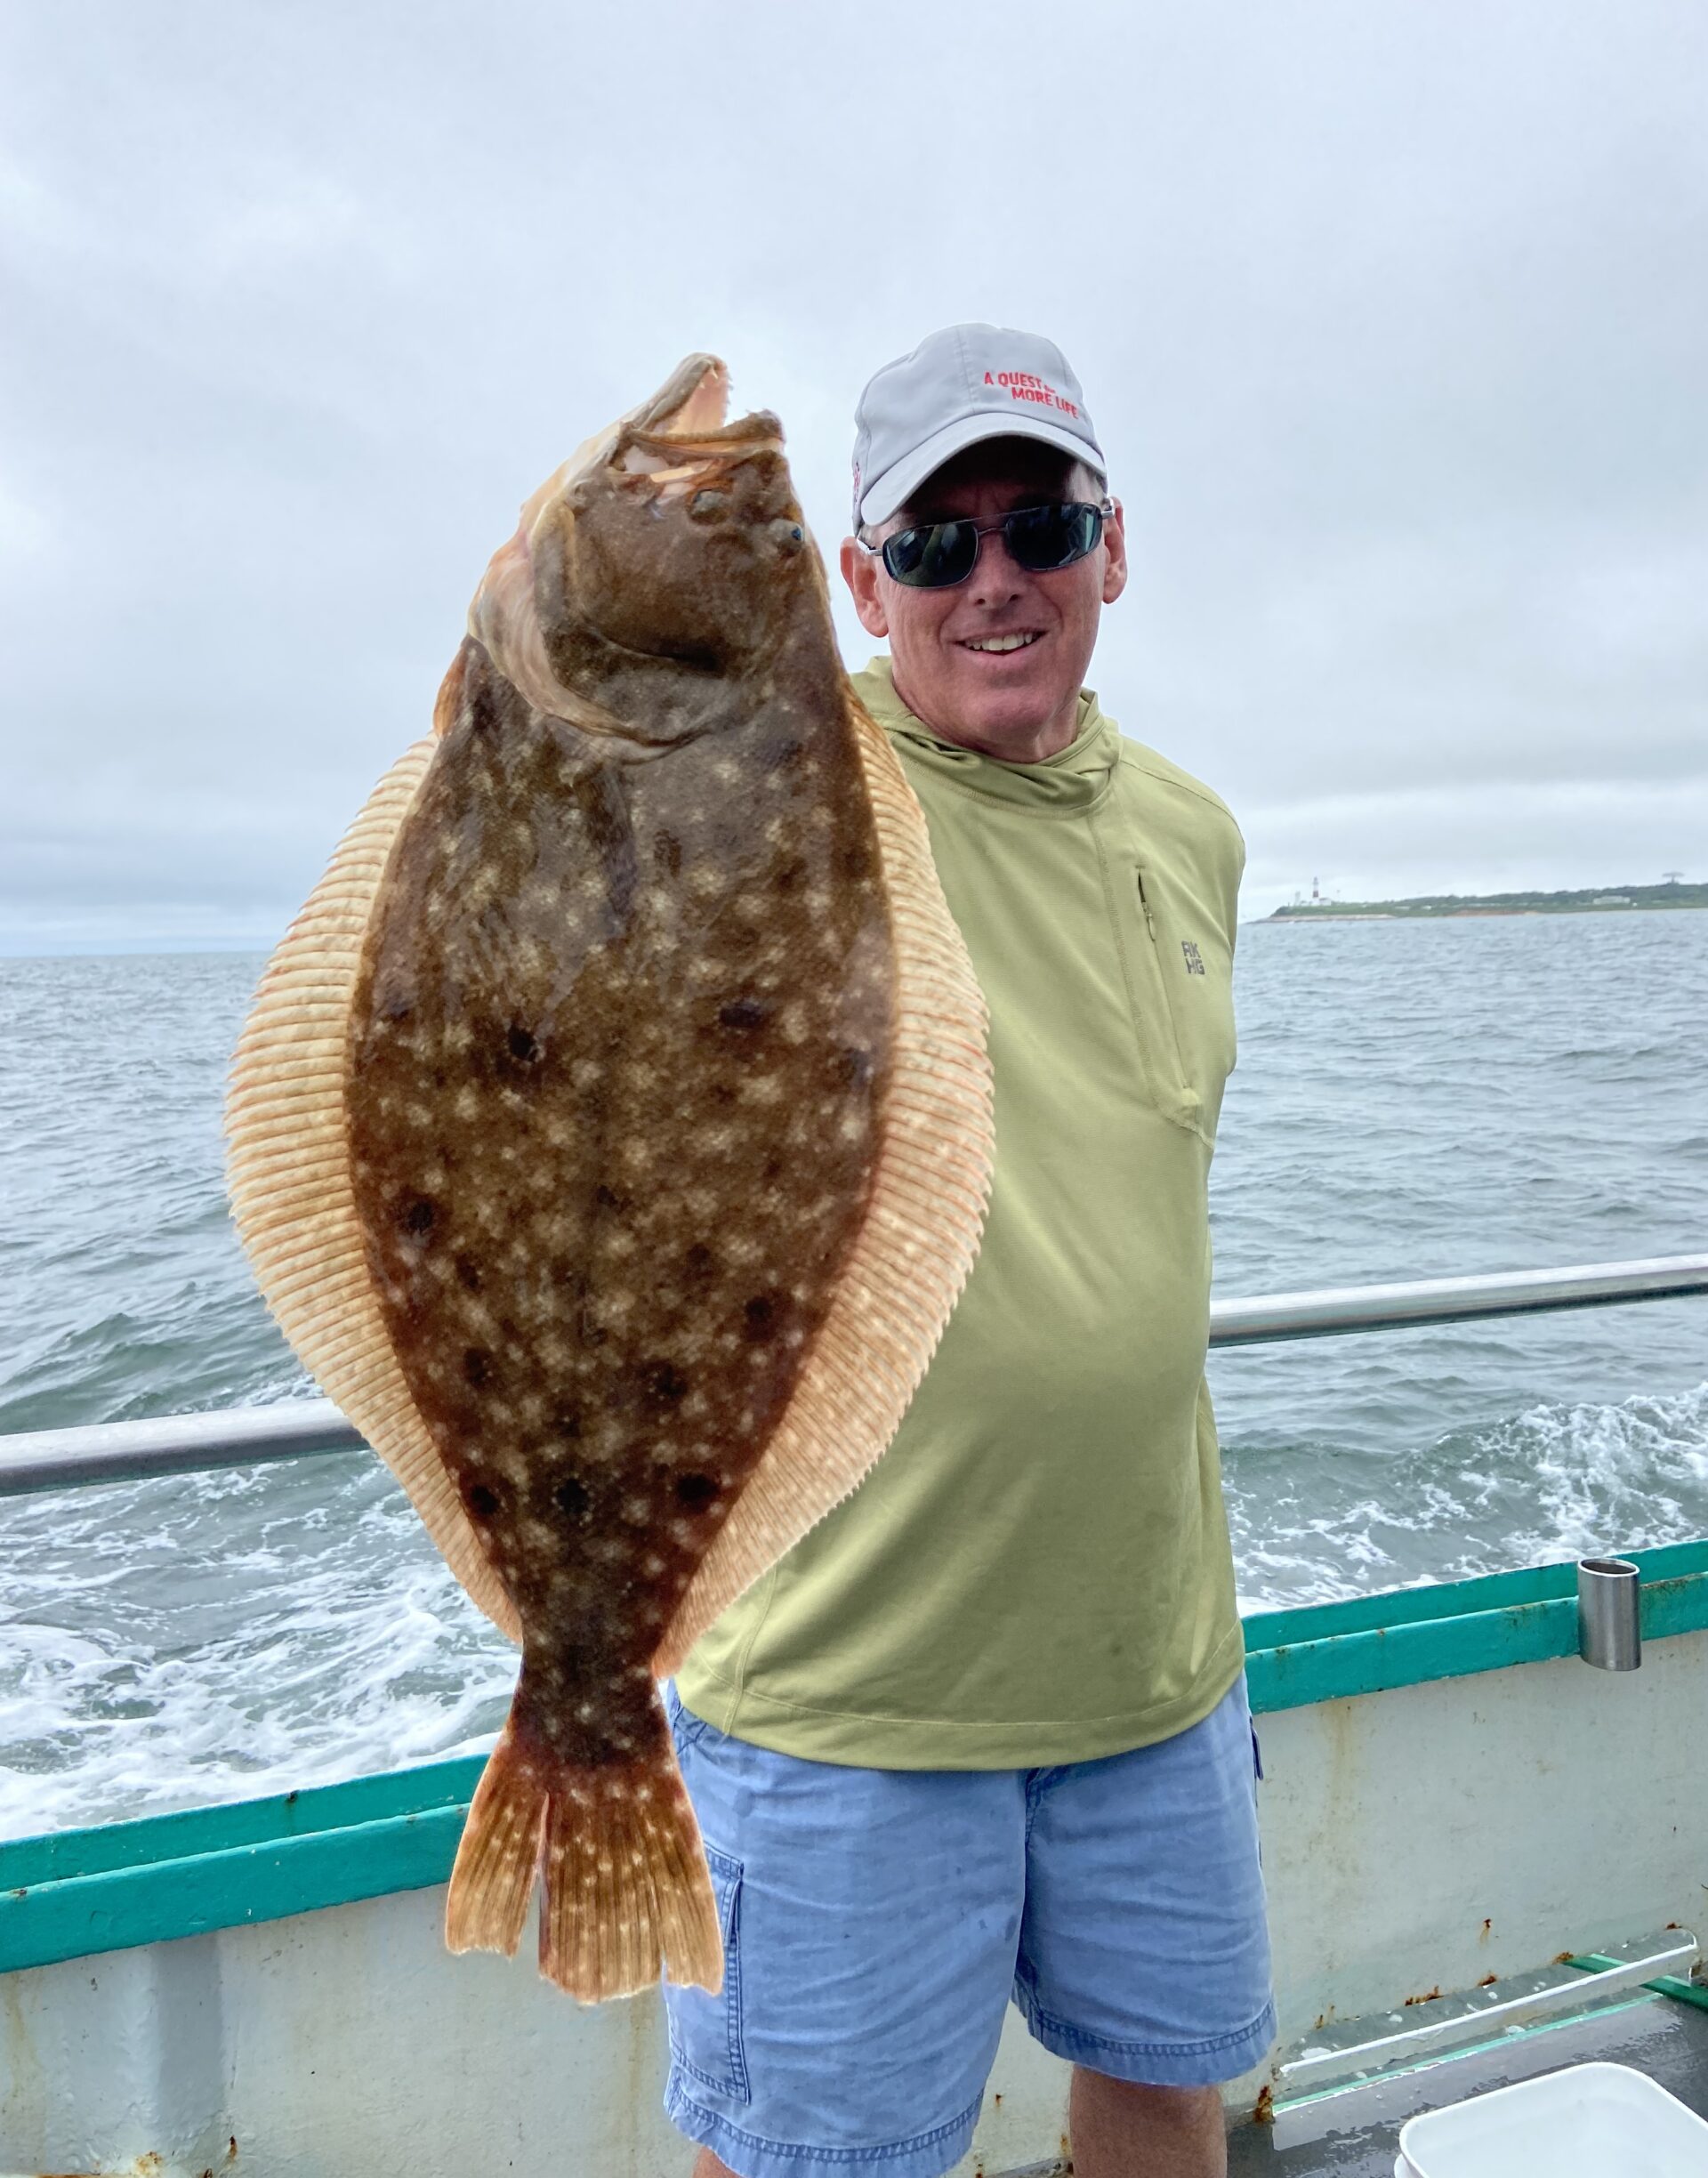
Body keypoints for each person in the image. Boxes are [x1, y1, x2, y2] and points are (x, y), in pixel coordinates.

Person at [662, 324, 1272, 2178]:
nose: (992, 579)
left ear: (1111, 544)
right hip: (853, 1674)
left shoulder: (1192, 828)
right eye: (932, 545)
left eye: (1037, 526)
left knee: (1169, 2089)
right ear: (859, 581)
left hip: (1151, 1647)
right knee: (819, 2158)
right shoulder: (771, 788)